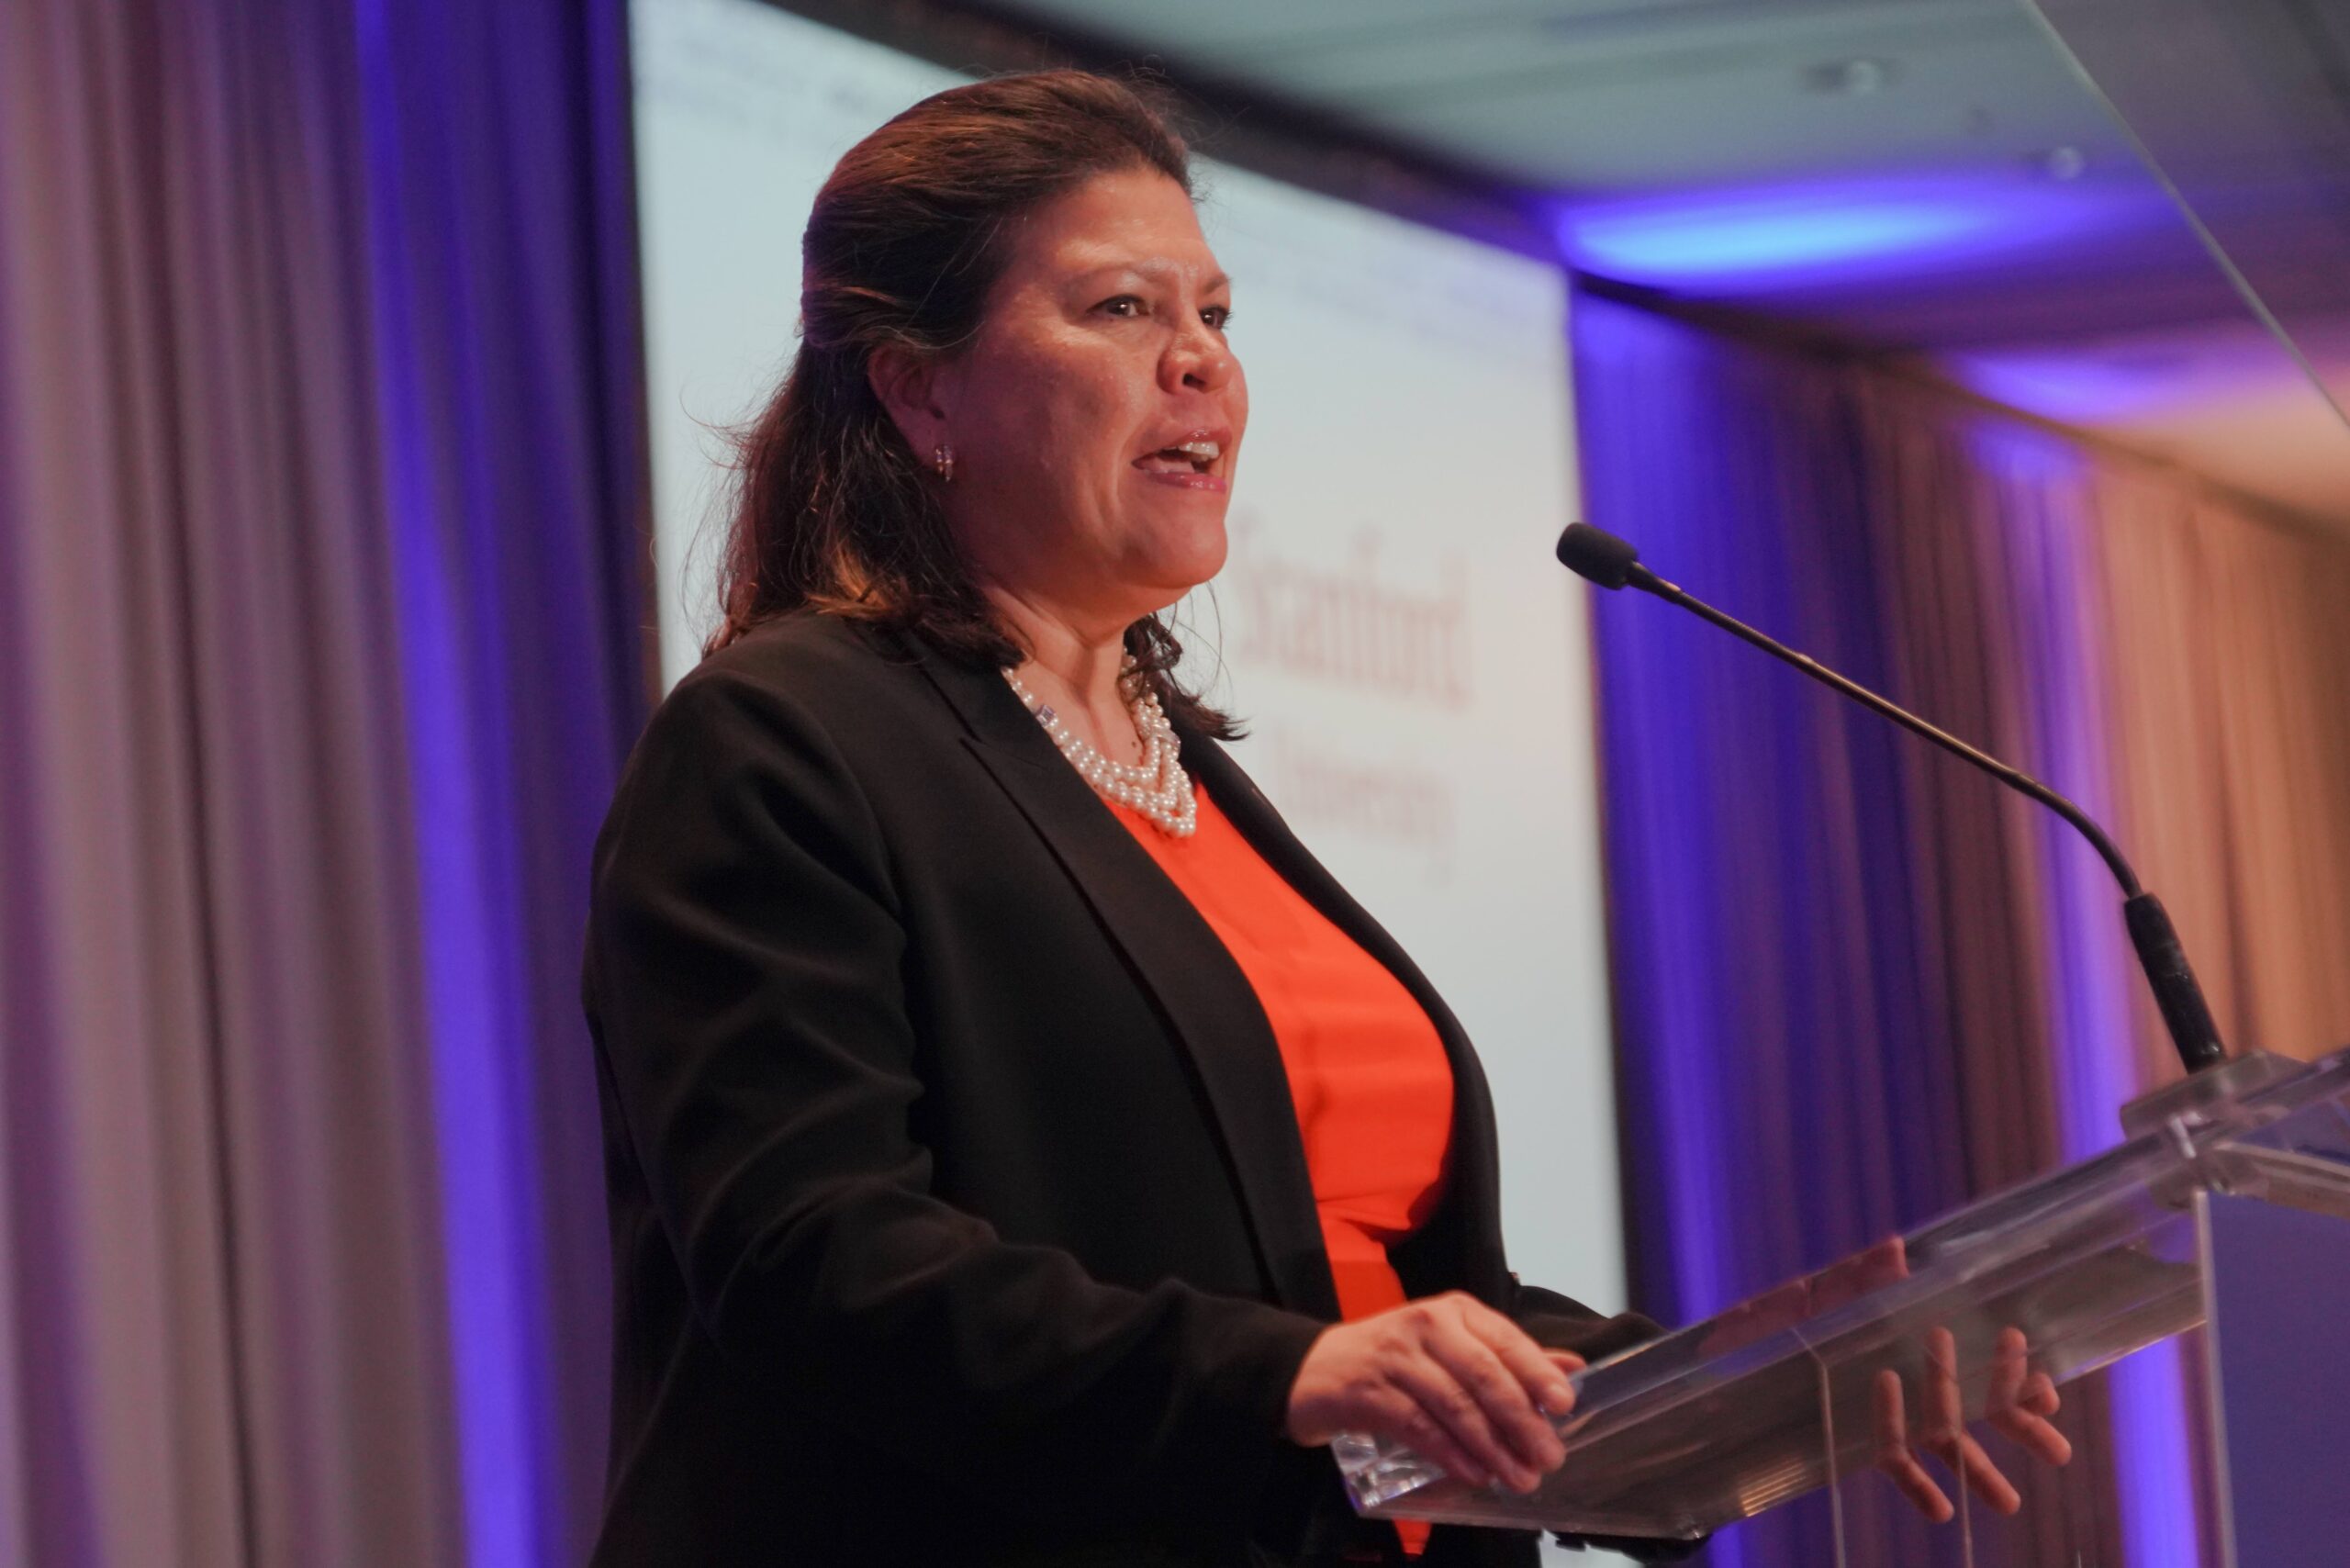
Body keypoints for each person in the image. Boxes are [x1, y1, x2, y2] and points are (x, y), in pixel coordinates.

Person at [580, 70, 2060, 1568]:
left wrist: (1760, 1382)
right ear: (920, 389)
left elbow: (1398, 1297)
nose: (1200, 368)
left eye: (1214, 316)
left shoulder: (1187, 775)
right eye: (1119, 311)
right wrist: (1286, 1378)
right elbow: (812, 1263)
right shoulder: (788, 739)